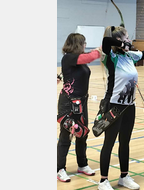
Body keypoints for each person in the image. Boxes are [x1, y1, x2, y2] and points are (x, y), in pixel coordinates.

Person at [97, 26, 144, 190]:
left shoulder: (129, 56)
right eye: (127, 37)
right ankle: (103, 180)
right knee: (109, 143)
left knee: (125, 142)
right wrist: (122, 45)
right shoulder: (111, 57)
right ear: (120, 40)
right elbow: (107, 41)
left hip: (130, 106)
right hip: (114, 105)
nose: (130, 40)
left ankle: (124, 176)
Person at [57, 33, 101, 182]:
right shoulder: (69, 57)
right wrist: (99, 50)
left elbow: (71, 73)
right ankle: (59, 168)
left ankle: (82, 164)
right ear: (77, 44)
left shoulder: (77, 60)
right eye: (83, 43)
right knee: (66, 136)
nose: (85, 45)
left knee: (82, 134)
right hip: (68, 103)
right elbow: (89, 57)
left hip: (81, 103)